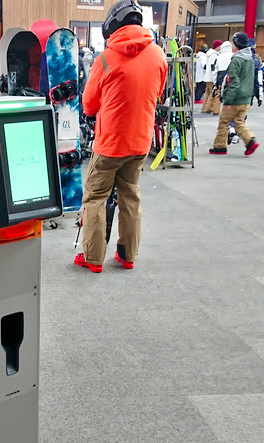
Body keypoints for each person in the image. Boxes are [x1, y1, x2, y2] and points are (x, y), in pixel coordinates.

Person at [73, 0, 167, 273]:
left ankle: (93, 259)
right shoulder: (159, 55)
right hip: (140, 141)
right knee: (130, 195)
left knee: (95, 198)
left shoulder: (105, 59)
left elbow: (89, 105)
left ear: (112, 26)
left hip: (109, 143)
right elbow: (156, 94)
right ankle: (127, 255)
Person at [209, 32, 259, 156]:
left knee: (224, 122)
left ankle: (220, 146)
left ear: (236, 44)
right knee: (239, 122)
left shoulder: (237, 60)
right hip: (246, 97)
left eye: (233, 42)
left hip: (235, 98)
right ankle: (250, 140)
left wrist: (228, 100)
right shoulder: (251, 59)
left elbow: (233, 81)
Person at [211, 40, 233, 116]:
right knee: (230, 95)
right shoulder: (233, 56)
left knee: (218, 94)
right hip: (231, 76)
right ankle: (228, 111)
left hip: (220, 75)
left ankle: (216, 110)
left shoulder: (219, 56)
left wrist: (215, 81)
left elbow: (214, 69)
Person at [200, 40, 221, 113]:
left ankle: (204, 108)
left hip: (207, 76)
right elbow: (213, 67)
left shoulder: (209, 54)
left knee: (207, 93)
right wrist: (215, 78)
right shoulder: (214, 55)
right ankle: (208, 108)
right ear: (217, 46)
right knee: (212, 93)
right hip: (211, 77)